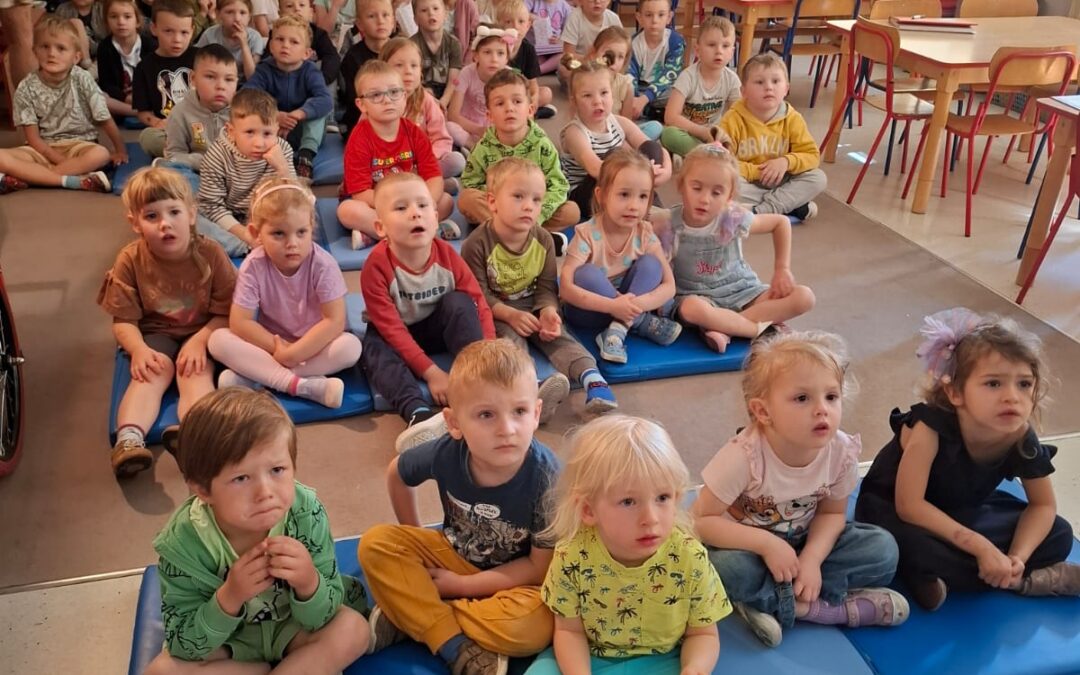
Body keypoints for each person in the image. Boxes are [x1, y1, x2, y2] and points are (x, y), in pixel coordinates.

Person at [694, 331, 908, 648]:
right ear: (763, 411)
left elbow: (832, 514)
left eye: (831, 397)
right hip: (748, 548)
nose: (822, 409)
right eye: (802, 398)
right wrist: (767, 544)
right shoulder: (744, 456)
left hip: (805, 539)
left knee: (884, 550)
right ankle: (819, 609)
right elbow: (701, 521)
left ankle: (767, 600)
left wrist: (811, 560)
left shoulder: (841, 451)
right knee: (721, 569)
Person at [358, 339, 560, 675]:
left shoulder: (547, 477)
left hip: (515, 582)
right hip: (453, 554)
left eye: (519, 411)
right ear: (453, 423)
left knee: (537, 624)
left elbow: (538, 569)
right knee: (375, 544)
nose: (507, 429)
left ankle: (412, 617)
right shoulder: (446, 453)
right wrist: (413, 531)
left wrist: (459, 587)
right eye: (486, 415)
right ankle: (450, 639)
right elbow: (397, 473)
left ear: (536, 414)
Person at [856, 308, 1080, 611]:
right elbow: (909, 506)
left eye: (1024, 384)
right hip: (895, 509)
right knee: (896, 545)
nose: (1012, 396)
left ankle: (1002, 576)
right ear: (955, 392)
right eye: (994, 383)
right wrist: (981, 547)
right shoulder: (930, 428)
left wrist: (1017, 557)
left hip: (963, 512)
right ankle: (1016, 579)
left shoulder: (1019, 435)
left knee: (1060, 533)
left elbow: (1043, 506)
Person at [143, 388, 370, 674]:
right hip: (231, 646)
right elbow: (183, 644)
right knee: (161, 672)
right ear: (203, 490)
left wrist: (309, 582)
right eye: (241, 478)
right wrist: (229, 598)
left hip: (294, 631)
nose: (265, 492)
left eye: (277, 470)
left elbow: (325, 614)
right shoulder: (182, 543)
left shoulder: (305, 512)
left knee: (353, 629)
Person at [527, 415, 731, 675]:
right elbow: (569, 631)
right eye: (628, 502)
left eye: (662, 497)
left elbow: (703, 634)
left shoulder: (690, 556)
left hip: (664, 657)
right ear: (589, 510)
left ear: (677, 497)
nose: (650, 518)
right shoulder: (571, 555)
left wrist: (695, 668)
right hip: (588, 655)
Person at [99, 167, 237, 478]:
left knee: (196, 373)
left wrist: (200, 340)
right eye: (151, 216)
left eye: (174, 212)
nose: (165, 224)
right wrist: (138, 350)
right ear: (135, 223)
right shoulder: (130, 260)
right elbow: (123, 320)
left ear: (191, 214)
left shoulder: (211, 253)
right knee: (151, 374)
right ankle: (129, 441)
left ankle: (194, 435)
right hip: (155, 332)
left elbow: (229, 312)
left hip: (202, 330)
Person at [463, 158, 618, 418]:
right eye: (518, 197)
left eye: (536, 200)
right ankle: (530, 393)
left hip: (532, 305)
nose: (529, 206)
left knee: (560, 336)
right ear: (492, 202)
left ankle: (593, 380)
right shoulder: (476, 244)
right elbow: (477, 295)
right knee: (509, 346)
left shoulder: (543, 239)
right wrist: (510, 315)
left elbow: (546, 286)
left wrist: (548, 311)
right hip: (497, 311)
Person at [359, 172, 495, 452]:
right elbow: (392, 330)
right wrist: (432, 373)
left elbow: (478, 303)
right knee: (372, 350)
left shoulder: (448, 255)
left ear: (435, 216)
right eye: (401, 208)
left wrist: (490, 351)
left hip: (435, 327)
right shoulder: (375, 267)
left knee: (459, 303)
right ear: (381, 227)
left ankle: (481, 384)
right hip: (394, 333)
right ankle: (417, 413)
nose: (415, 214)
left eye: (422, 206)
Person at [207, 177, 361, 408]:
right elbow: (240, 322)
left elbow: (334, 321)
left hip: (315, 346)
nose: (292, 243)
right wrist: (281, 349)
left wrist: (294, 353)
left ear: (311, 228)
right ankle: (302, 386)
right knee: (218, 340)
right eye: (279, 233)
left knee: (351, 347)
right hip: (272, 346)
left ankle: (258, 378)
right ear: (256, 233)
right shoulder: (253, 265)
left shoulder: (323, 264)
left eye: (301, 232)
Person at [668, 142, 815, 353]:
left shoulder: (733, 216)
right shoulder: (669, 222)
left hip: (742, 290)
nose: (705, 199)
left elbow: (780, 222)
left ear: (729, 196)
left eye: (716, 193)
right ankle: (753, 328)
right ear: (681, 186)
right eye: (697, 188)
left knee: (804, 297)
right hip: (698, 296)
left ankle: (725, 329)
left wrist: (782, 268)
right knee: (691, 309)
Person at [560, 148, 681, 364]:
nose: (634, 206)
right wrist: (615, 306)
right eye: (624, 195)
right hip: (590, 311)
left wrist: (631, 307)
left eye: (642, 196)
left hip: (628, 305)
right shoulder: (587, 234)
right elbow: (566, 289)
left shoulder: (644, 232)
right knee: (586, 273)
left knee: (652, 264)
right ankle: (640, 322)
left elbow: (669, 285)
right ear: (602, 196)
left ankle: (618, 329)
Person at [336, 60, 457, 249]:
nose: (387, 100)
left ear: (404, 97)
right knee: (347, 211)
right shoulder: (359, 139)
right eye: (376, 95)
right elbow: (361, 193)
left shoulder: (415, 132)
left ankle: (379, 234)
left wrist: (425, 202)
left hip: (411, 201)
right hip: (375, 202)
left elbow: (433, 176)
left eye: (394, 92)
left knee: (446, 202)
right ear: (362, 105)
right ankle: (424, 231)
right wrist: (396, 205)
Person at [0, 15, 123, 195]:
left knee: (101, 154)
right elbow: (33, 138)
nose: (52, 53)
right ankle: (73, 181)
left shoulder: (83, 79)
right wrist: (59, 160)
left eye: (61, 48)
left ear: (76, 57)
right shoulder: (26, 87)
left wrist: (120, 150)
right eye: (45, 47)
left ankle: (31, 177)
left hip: (79, 146)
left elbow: (104, 118)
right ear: (35, 51)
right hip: (41, 149)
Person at [457, 68, 578, 237]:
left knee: (572, 211)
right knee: (467, 199)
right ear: (489, 115)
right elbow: (470, 182)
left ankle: (512, 232)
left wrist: (537, 214)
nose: (509, 108)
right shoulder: (483, 147)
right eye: (500, 104)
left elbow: (558, 185)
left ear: (530, 110)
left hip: (532, 210)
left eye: (517, 101)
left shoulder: (543, 145)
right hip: (497, 208)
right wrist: (505, 199)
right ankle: (524, 234)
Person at [559, 58, 671, 219]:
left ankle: (648, 208)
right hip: (585, 195)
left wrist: (666, 171)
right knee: (616, 155)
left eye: (604, 93)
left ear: (613, 95)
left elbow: (656, 148)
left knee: (650, 148)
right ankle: (642, 210)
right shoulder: (574, 133)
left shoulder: (619, 122)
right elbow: (596, 169)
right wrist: (641, 175)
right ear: (574, 101)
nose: (597, 101)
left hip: (620, 185)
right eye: (587, 96)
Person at [720, 52, 826, 221]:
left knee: (818, 178)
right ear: (743, 91)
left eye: (776, 81)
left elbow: (812, 156)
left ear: (786, 89)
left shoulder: (793, 118)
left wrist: (786, 162)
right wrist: (758, 172)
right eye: (759, 82)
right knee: (722, 179)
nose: (769, 87)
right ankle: (790, 206)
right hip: (748, 181)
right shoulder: (732, 119)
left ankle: (760, 210)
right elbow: (722, 161)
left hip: (782, 179)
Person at [197, 87, 296, 256]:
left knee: (301, 215)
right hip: (229, 218)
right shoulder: (217, 155)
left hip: (267, 215)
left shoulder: (282, 149)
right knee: (192, 222)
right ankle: (246, 247)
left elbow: (297, 199)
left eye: (267, 133)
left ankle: (261, 243)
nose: (259, 143)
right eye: (250, 132)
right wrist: (245, 235)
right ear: (231, 132)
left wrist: (283, 169)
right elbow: (212, 207)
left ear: (277, 129)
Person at [244, 14, 333, 179]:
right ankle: (270, 156)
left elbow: (326, 100)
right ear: (271, 46)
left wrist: (299, 114)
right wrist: (274, 115)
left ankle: (305, 159)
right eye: (280, 39)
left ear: (306, 53)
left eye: (294, 42)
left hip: (302, 130)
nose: (285, 45)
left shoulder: (311, 71)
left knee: (317, 111)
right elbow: (247, 96)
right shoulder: (264, 70)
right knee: (251, 108)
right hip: (274, 129)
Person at [381, 36, 466, 179]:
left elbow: (441, 139)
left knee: (456, 161)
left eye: (414, 66)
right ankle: (430, 184)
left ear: (420, 72)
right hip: (389, 166)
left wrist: (425, 159)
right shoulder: (377, 102)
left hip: (423, 163)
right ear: (383, 70)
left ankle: (425, 182)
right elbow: (364, 141)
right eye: (399, 65)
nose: (408, 71)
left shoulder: (426, 100)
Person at [661, 15, 740, 159]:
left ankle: (701, 155)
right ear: (697, 50)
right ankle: (709, 154)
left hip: (716, 134)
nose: (719, 51)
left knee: (742, 137)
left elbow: (738, 115)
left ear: (732, 52)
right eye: (711, 45)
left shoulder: (732, 79)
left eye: (725, 46)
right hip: (688, 132)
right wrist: (703, 133)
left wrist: (722, 134)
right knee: (668, 134)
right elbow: (670, 116)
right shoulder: (687, 77)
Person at [134, 0, 199, 157]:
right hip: (170, 131)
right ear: (154, 28)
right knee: (147, 137)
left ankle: (181, 157)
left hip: (201, 127)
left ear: (192, 31)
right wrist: (157, 122)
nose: (177, 39)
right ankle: (190, 156)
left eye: (184, 32)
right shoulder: (144, 67)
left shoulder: (201, 57)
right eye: (168, 31)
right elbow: (143, 113)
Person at [162, 44, 239, 172]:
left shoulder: (244, 112)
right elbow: (174, 155)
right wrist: (202, 162)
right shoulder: (180, 113)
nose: (221, 86)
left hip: (236, 173)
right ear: (193, 79)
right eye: (210, 77)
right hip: (196, 171)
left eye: (229, 79)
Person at [446, 25, 513, 149]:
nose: (494, 59)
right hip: (467, 125)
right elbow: (452, 114)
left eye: (500, 53)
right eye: (487, 52)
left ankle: (489, 148)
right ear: (476, 56)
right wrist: (478, 130)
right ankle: (473, 147)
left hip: (495, 125)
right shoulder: (467, 73)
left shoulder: (510, 77)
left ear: (507, 58)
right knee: (449, 127)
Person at [339, 0, 395, 135]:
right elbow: (354, 99)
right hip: (364, 118)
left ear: (393, 21)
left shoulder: (400, 52)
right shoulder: (353, 58)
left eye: (385, 15)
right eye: (372, 16)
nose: (380, 21)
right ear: (360, 24)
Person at [627, 0, 684, 123]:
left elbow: (670, 75)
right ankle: (653, 113)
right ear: (639, 18)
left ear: (669, 17)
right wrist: (635, 99)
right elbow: (630, 75)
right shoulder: (632, 44)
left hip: (664, 89)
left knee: (680, 94)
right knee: (622, 89)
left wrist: (645, 98)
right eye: (648, 15)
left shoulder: (676, 42)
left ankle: (648, 112)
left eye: (661, 15)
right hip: (640, 88)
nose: (654, 20)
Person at [496, 0, 554, 117]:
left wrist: (535, 98)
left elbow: (532, 83)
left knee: (546, 93)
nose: (515, 26)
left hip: (519, 93)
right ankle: (524, 113)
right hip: (498, 92)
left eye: (521, 21)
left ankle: (526, 112)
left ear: (528, 25)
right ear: (499, 25)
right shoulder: (497, 46)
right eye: (508, 22)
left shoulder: (528, 49)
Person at [96, 0, 149, 118]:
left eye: (127, 17)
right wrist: (125, 98)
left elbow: (156, 78)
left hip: (146, 96)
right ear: (106, 22)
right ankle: (137, 113)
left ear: (137, 21)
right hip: (121, 100)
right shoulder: (105, 47)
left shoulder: (150, 45)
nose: (121, 22)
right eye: (114, 17)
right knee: (98, 97)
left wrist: (141, 95)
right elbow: (106, 83)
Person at [273, 0, 341, 86]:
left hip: (315, 82)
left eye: (302, 5)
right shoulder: (275, 35)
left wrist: (320, 80)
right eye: (289, 6)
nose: (297, 9)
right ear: (280, 14)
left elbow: (332, 57)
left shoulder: (319, 35)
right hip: (281, 82)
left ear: (311, 12)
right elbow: (268, 60)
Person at [195, 0, 265, 78]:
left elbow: (252, 77)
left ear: (249, 17)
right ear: (218, 14)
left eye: (242, 13)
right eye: (230, 12)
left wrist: (244, 44)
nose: (237, 18)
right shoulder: (210, 34)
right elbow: (196, 64)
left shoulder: (255, 37)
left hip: (244, 83)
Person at [410, 0, 461, 106]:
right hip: (420, 98)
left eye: (436, 9)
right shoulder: (411, 46)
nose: (431, 13)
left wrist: (444, 101)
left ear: (445, 14)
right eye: (424, 10)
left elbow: (454, 79)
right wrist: (423, 94)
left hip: (447, 98)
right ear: (415, 19)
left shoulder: (454, 43)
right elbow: (410, 79)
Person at [557, 0, 618, 84]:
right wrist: (590, 58)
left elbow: (622, 48)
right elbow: (568, 54)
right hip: (581, 63)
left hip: (604, 63)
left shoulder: (613, 18)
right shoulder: (575, 17)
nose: (597, 1)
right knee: (563, 68)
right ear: (580, 1)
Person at [524, 0, 569, 75]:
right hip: (535, 48)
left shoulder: (565, 7)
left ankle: (538, 70)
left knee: (563, 57)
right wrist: (532, 17)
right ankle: (538, 68)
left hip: (555, 49)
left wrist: (560, 39)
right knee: (536, 59)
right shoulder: (532, 1)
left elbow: (568, 33)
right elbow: (519, 11)